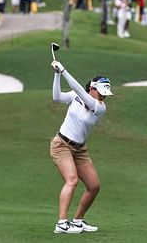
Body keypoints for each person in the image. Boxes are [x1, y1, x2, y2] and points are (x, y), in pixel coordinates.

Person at [49, 60, 114, 234]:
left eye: (105, 94)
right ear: (92, 88)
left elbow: (79, 90)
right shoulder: (75, 96)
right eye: (101, 92)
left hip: (80, 150)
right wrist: (57, 74)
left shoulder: (100, 107)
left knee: (94, 186)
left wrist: (64, 71)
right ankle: (62, 223)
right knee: (72, 180)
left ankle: (77, 221)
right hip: (61, 144)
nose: (103, 96)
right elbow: (56, 97)